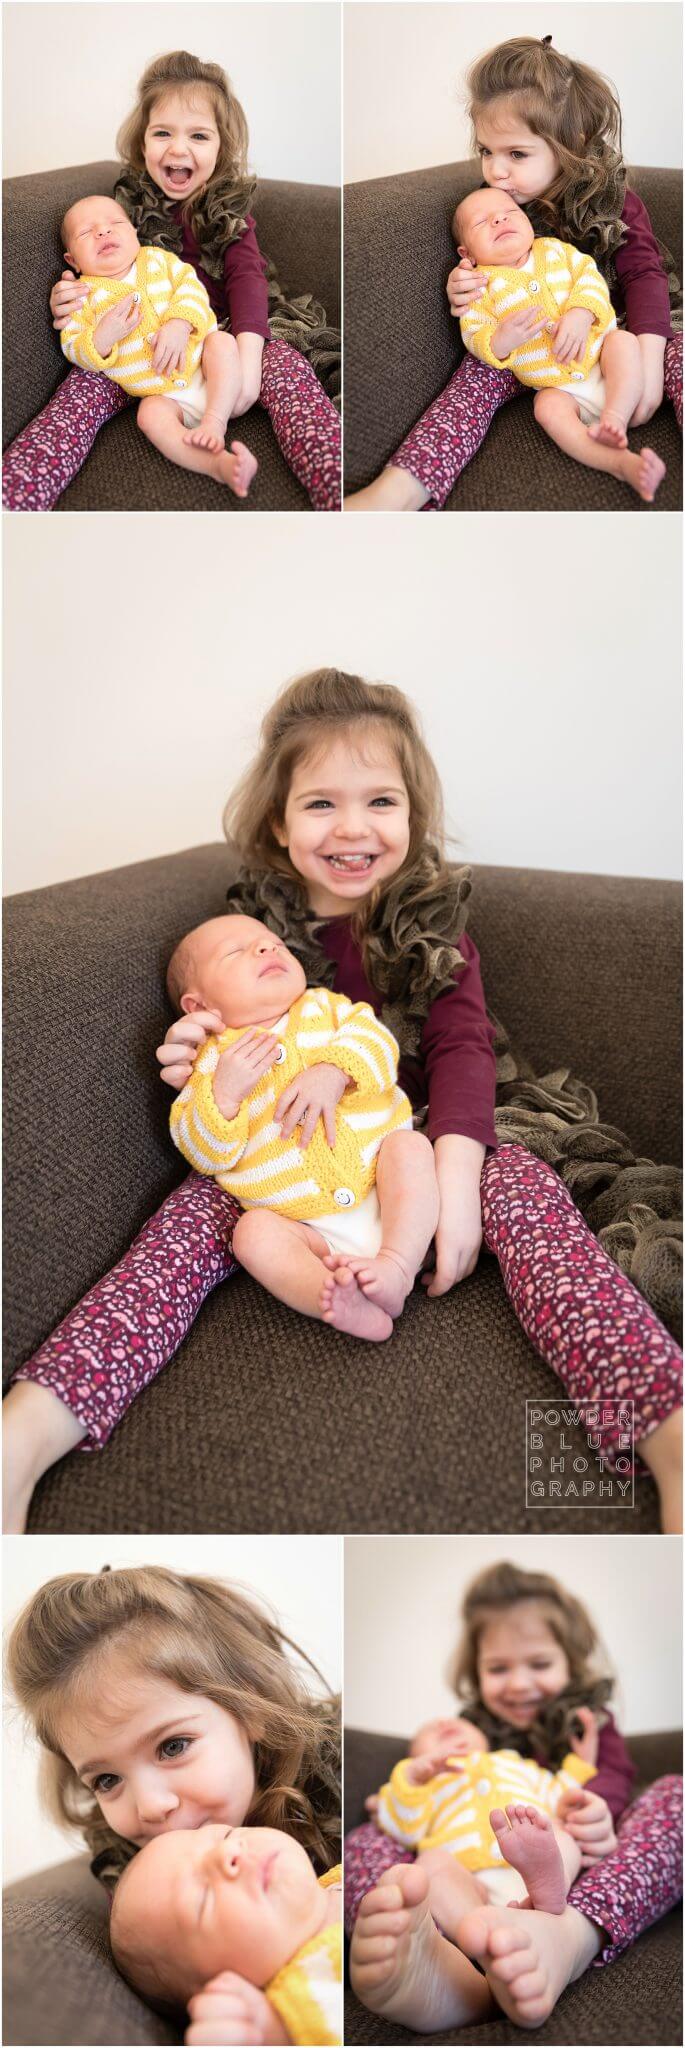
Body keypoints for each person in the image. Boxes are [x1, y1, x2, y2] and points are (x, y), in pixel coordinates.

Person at [3, 670, 682, 1532]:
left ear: (411, 815)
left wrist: (456, 1174)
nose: (353, 828)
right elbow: (209, 1078)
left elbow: (459, 1048)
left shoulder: (432, 925)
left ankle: (664, 1426)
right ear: (279, 825)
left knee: (521, 1193)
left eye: (381, 802)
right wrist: (195, 1060)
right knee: (189, 1219)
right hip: (281, 1155)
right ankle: (31, 1428)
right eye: (321, 803)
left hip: (426, 1126)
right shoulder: (245, 937)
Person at [345, 35, 682, 510]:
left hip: (611, 330)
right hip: (526, 348)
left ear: (571, 145)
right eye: (486, 151)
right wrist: (460, 286)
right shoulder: (495, 209)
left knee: (677, 350)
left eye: (516, 155)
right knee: (473, 379)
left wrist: (649, 355)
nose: (496, 172)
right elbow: (477, 283)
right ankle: (400, 488)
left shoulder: (613, 201)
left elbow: (644, 274)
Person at [347, 1560, 682, 2033]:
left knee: (675, 1798)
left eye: (540, 1664)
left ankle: (567, 1936)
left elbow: (600, 1783)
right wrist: (403, 1797)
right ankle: (451, 1957)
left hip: (577, 1873)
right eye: (498, 1668)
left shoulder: (587, 1726)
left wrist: (594, 1814)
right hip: (469, 1881)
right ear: (475, 1671)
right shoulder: (469, 1739)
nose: (520, 1683)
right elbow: (413, 1807)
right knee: (374, 1845)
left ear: (571, 1660)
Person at [3, 49, 340, 511]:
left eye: (198, 135)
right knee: (80, 391)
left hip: (224, 326)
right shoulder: (120, 208)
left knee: (289, 375)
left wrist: (249, 350)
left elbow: (246, 276)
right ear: (143, 142)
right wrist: (69, 294)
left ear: (221, 147)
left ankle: (332, 481)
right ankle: (18, 492)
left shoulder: (226, 206)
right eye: (163, 133)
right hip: (135, 341)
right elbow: (93, 263)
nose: (178, 149)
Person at [167, 913, 436, 1340]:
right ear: (199, 1007)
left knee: (410, 1148)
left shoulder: (326, 1008)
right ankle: (330, 1297)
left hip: (388, 1194)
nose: (266, 948)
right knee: (252, 1234)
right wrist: (223, 1096)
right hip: (312, 1236)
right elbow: (202, 1153)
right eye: (237, 951)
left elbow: (379, 1044)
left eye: (273, 942)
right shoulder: (207, 1065)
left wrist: (333, 1070)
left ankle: (398, 1266)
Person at [6, 1563, 340, 1899]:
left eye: (173, 1747)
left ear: (250, 1707)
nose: (150, 1806)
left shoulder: (342, 1785)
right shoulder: (133, 1872)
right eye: (106, 1780)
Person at [453, 188, 665, 502]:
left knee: (623, 341)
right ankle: (621, 463)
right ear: (467, 254)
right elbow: (473, 333)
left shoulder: (554, 250)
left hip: (600, 359)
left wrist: (581, 312)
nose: (499, 218)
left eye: (509, 212)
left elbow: (589, 277)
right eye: (482, 222)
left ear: (526, 220)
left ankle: (614, 419)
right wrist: (499, 342)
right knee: (547, 409)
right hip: (559, 388)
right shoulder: (478, 288)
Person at [58, 197, 257, 496]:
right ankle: (220, 466)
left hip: (206, 368)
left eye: (115, 224)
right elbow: (72, 346)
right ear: (72, 259)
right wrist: (101, 337)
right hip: (164, 398)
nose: (103, 232)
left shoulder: (158, 261)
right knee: (149, 416)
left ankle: (215, 423)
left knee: (222, 342)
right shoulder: (80, 296)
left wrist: (180, 323)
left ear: (135, 233)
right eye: (87, 233)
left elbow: (192, 291)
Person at [110, 1823, 341, 2045]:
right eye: (202, 1899)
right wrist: (272, 2032)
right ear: (217, 1987)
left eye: (225, 1836)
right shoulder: (303, 2005)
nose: (227, 1851)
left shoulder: (344, 1874)